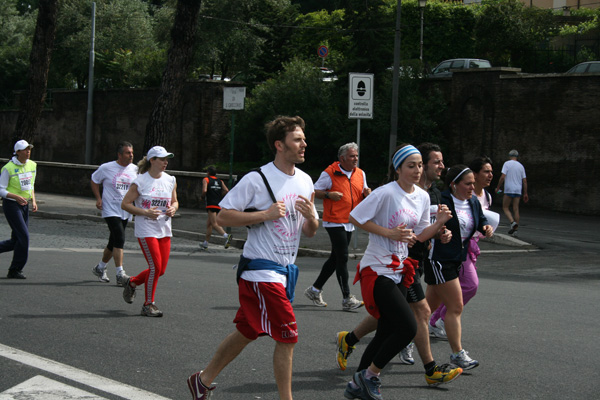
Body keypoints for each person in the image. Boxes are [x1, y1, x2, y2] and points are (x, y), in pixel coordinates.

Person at [187, 116, 318, 400]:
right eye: (297, 140)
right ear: (279, 145)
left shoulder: (306, 181)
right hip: (260, 272)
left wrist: (312, 220)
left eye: (303, 139)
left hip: (284, 272)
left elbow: (308, 232)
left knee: (248, 330)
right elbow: (223, 215)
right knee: (288, 336)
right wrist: (265, 214)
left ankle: (203, 380)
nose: (304, 144)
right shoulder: (256, 179)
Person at [335, 143, 462, 388]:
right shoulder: (386, 193)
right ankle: (371, 376)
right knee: (407, 327)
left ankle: (360, 381)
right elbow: (354, 217)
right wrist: (389, 233)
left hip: (400, 270)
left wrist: (440, 225)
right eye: (410, 166)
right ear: (398, 169)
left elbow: (419, 235)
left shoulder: (422, 196)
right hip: (377, 269)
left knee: (385, 329)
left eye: (419, 165)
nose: (416, 170)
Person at [424, 164, 493, 371]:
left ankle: (406, 340)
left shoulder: (472, 201)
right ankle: (457, 354)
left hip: (457, 259)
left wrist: (486, 228)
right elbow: (427, 226)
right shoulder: (442, 200)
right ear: (454, 184)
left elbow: (480, 222)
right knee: (455, 306)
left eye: (473, 183)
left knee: (426, 309)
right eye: (468, 184)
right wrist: (440, 232)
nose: (473, 187)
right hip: (439, 259)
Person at [304, 142, 370, 311]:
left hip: (350, 220)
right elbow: (313, 191)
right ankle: (347, 298)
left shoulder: (360, 174)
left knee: (336, 258)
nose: (355, 159)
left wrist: (368, 194)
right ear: (342, 158)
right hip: (334, 220)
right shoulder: (329, 173)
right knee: (343, 257)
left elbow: (364, 192)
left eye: (356, 156)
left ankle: (315, 289)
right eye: (351, 156)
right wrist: (328, 194)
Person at [120, 146, 178, 317]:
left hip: (164, 228)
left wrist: (173, 209)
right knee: (155, 267)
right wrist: (146, 212)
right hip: (146, 228)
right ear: (152, 160)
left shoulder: (170, 180)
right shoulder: (140, 181)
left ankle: (132, 283)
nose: (165, 162)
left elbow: (175, 201)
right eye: (162, 159)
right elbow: (125, 204)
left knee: (161, 270)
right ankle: (148, 304)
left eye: (167, 159)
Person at [90, 141, 137, 286]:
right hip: (110, 209)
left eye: (132, 153)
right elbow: (94, 180)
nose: (131, 156)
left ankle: (100, 267)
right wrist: (98, 198)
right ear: (119, 154)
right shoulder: (106, 167)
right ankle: (120, 273)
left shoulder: (135, 169)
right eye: (128, 153)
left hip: (126, 210)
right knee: (120, 238)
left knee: (113, 242)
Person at [1, 140, 37, 279]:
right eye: (24, 149)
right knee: (24, 237)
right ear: (17, 152)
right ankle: (15, 269)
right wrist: (15, 197)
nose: (28, 151)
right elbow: (1, 190)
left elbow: (31, 184)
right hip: (11, 205)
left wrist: (33, 200)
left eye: (29, 149)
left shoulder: (33, 165)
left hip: (24, 205)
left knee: (16, 240)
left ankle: (14, 269)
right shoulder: (8, 168)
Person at [495, 149, 528, 236]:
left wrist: (498, 187)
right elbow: (524, 181)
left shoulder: (507, 164)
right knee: (516, 209)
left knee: (505, 207)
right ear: (517, 157)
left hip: (509, 189)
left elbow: (502, 177)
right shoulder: (521, 166)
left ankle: (512, 222)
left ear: (509, 156)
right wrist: (525, 193)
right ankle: (515, 231)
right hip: (518, 189)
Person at [200, 166, 232, 249]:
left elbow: (204, 190)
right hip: (218, 203)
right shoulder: (220, 181)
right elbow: (226, 190)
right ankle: (205, 243)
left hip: (210, 203)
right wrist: (219, 196)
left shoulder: (206, 179)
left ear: (208, 172)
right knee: (209, 224)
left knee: (214, 223)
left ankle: (226, 236)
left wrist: (202, 197)